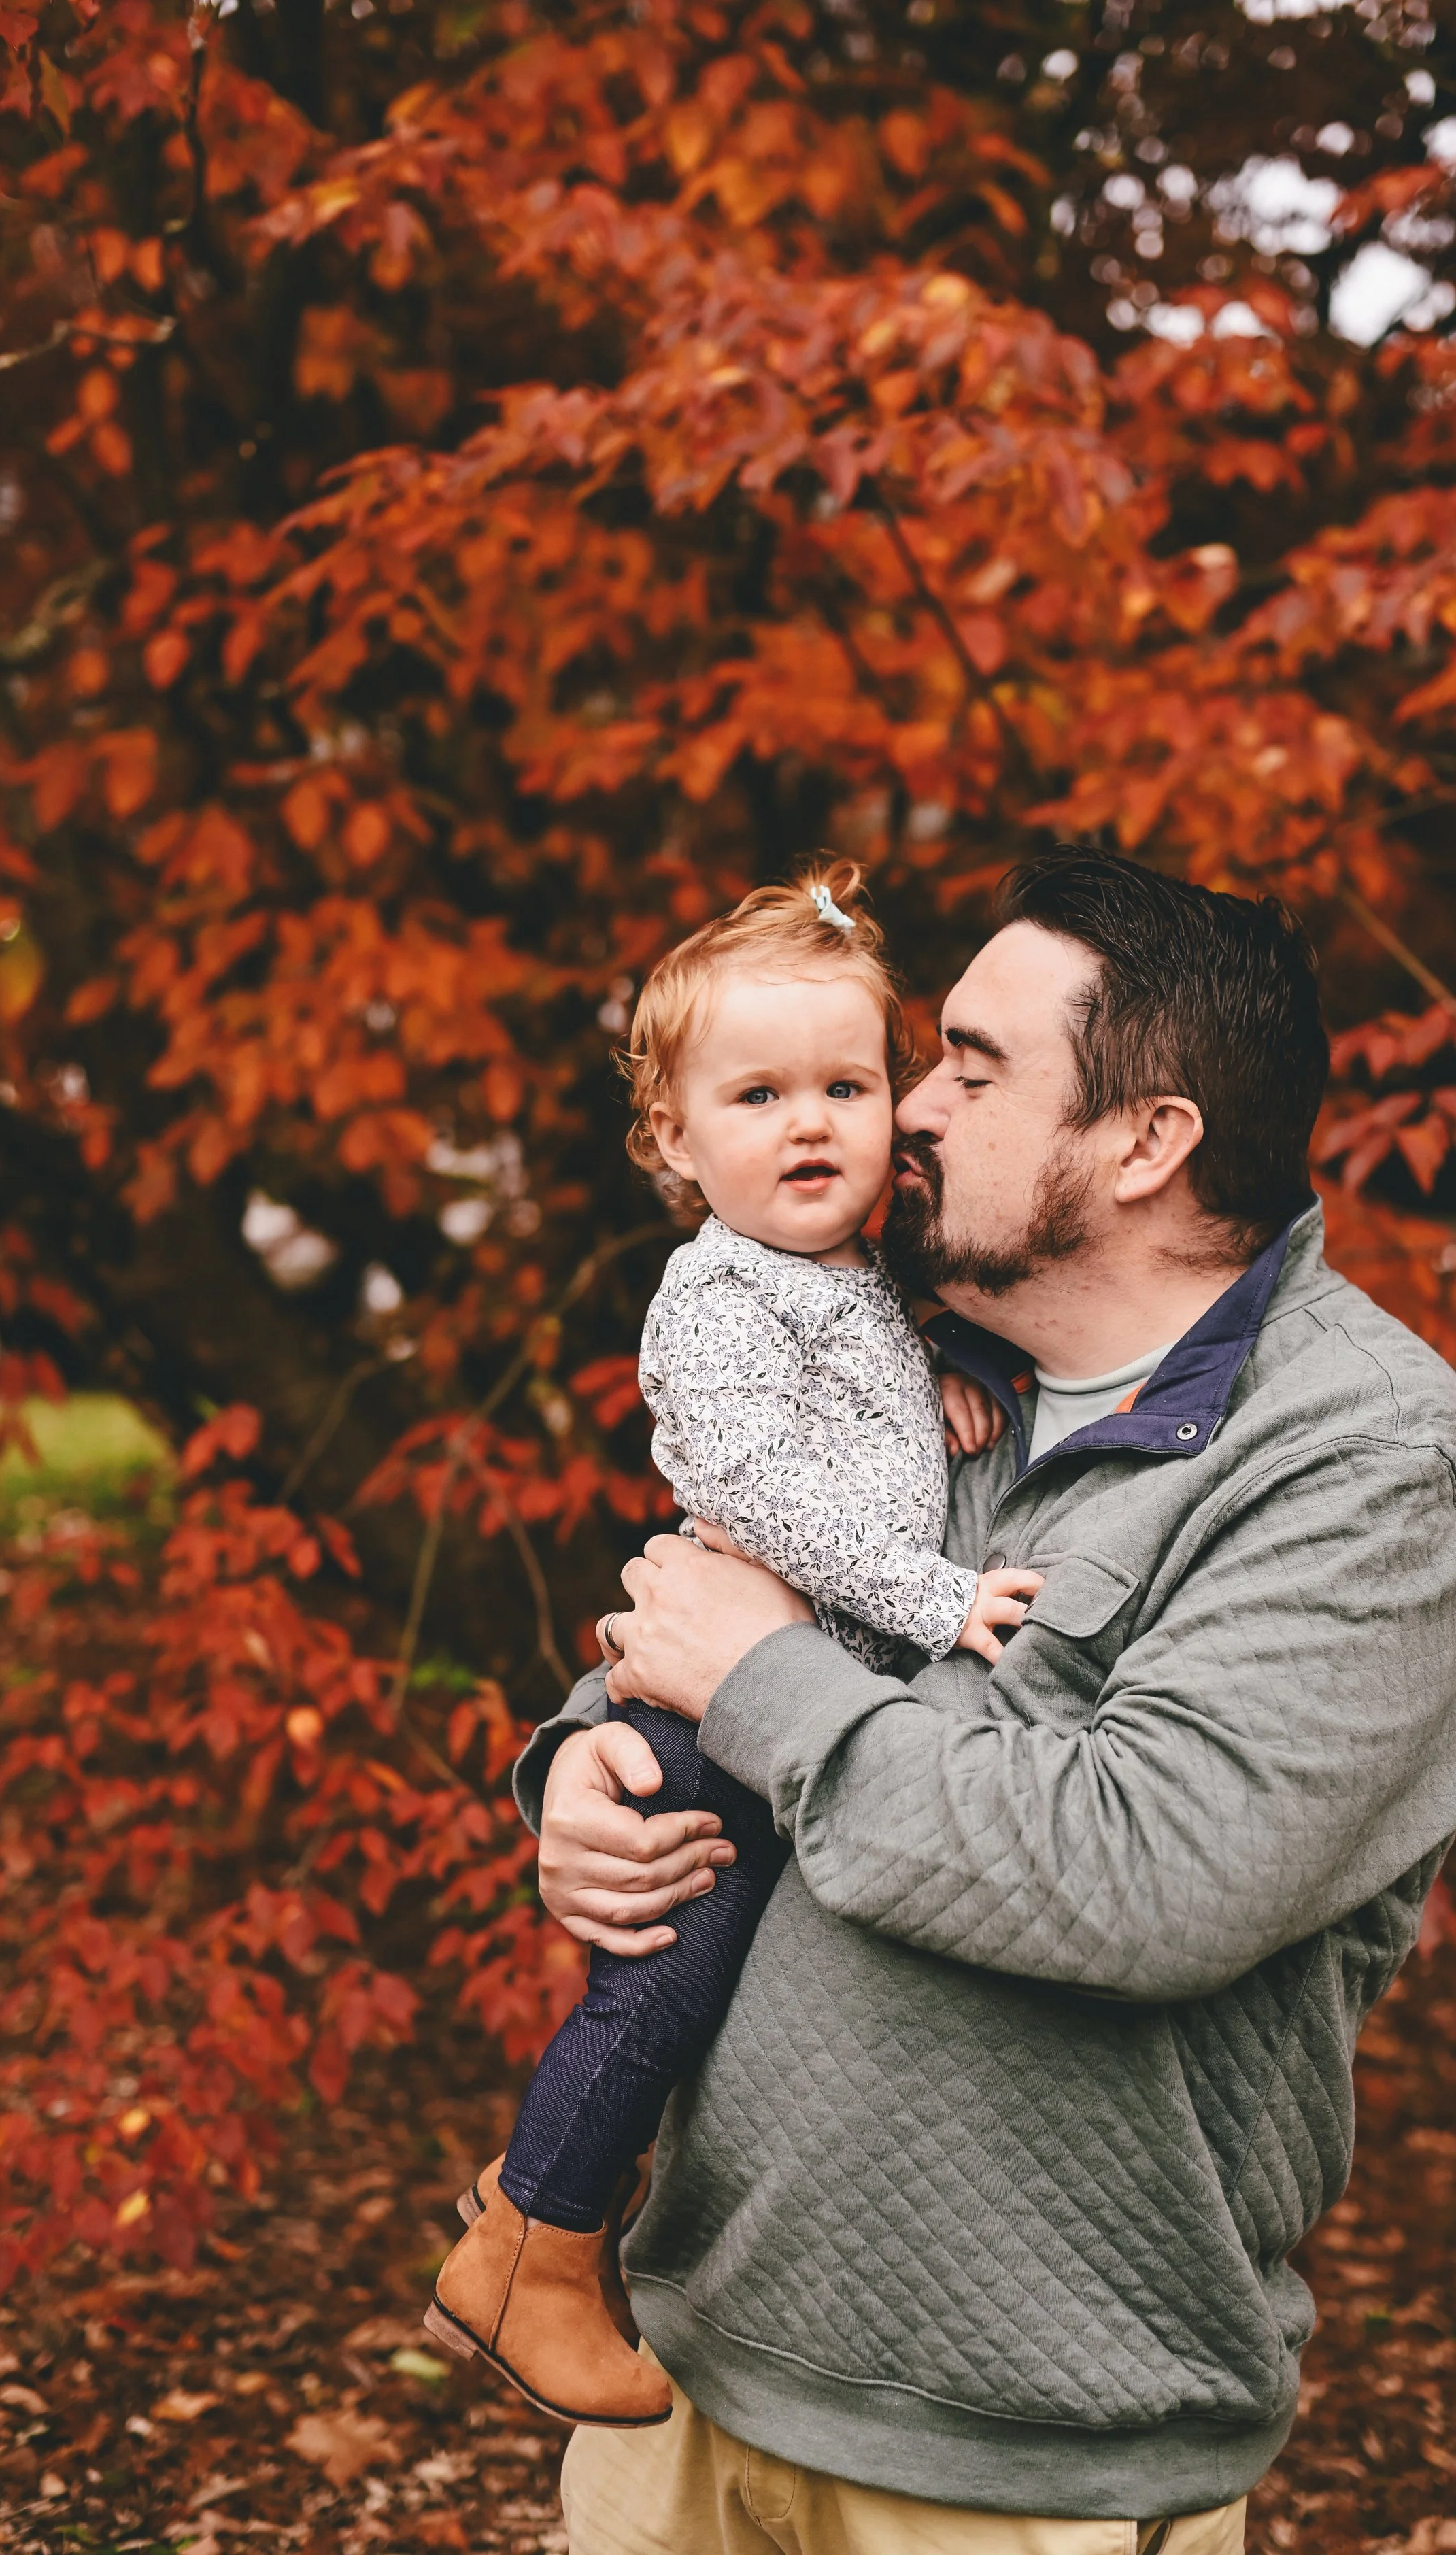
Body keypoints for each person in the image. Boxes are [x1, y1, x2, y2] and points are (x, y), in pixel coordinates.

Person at [520, 849, 1456, 2554]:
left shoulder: (1359, 1462)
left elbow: (1141, 1874)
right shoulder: (929, 1364)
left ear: (1143, 1141)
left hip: (1017, 2454)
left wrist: (752, 1683)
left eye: (969, 1068)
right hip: (689, 2379)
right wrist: (579, 1767)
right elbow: (725, 1615)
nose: (905, 1108)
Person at [425, 862, 1026, 2427]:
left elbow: (864, 1412)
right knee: (661, 1988)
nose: (812, 1123)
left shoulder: (858, 1287)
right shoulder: (713, 1293)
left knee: (699, 1986)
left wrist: (940, 1374)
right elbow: (752, 1495)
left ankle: (565, 2236)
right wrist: (934, 1597)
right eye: (756, 1095)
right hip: (721, 1715)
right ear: (675, 1144)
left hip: (781, 1699)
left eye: (847, 1082)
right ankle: (526, 2247)